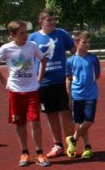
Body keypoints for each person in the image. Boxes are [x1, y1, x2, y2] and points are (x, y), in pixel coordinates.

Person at [0, 20, 51, 167]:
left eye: (26, 32)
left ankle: (39, 153)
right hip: (16, 92)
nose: (25, 35)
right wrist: (4, 82)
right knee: (20, 123)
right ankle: (24, 153)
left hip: (32, 90)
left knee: (35, 122)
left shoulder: (32, 46)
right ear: (12, 35)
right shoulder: (6, 49)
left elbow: (43, 60)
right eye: (21, 33)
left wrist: (39, 78)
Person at [29, 9, 75, 159]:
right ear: (40, 22)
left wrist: (75, 69)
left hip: (61, 80)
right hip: (44, 82)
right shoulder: (33, 38)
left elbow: (75, 52)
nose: (53, 22)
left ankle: (71, 144)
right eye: (49, 20)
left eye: (54, 19)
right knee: (51, 114)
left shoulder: (61, 34)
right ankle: (58, 145)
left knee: (66, 112)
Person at [65, 31, 101, 160]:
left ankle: (73, 140)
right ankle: (87, 147)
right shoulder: (70, 61)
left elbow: (97, 75)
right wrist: (69, 96)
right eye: (84, 42)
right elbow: (69, 78)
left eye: (89, 42)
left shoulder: (93, 59)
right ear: (76, 43)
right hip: (77, 95)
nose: (87, 45)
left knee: (89, 120)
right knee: (80, 122)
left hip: (91, 94)